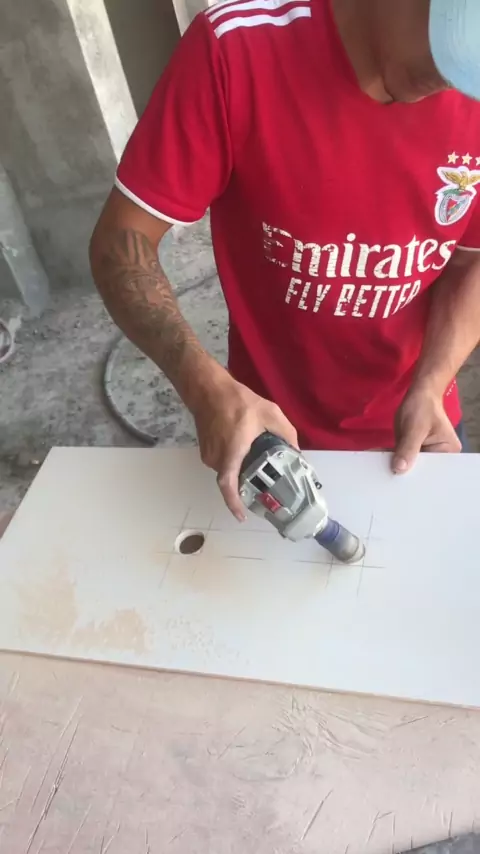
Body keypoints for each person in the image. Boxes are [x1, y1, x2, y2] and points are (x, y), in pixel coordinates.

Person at [90, 0, 480, 520]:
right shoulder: (237, 53)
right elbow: (122, 239)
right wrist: (204, 387)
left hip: (423, 424)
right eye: (446, 47)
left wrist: (433, 379)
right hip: (268, 434)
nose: (448, 81)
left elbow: (470, 261)